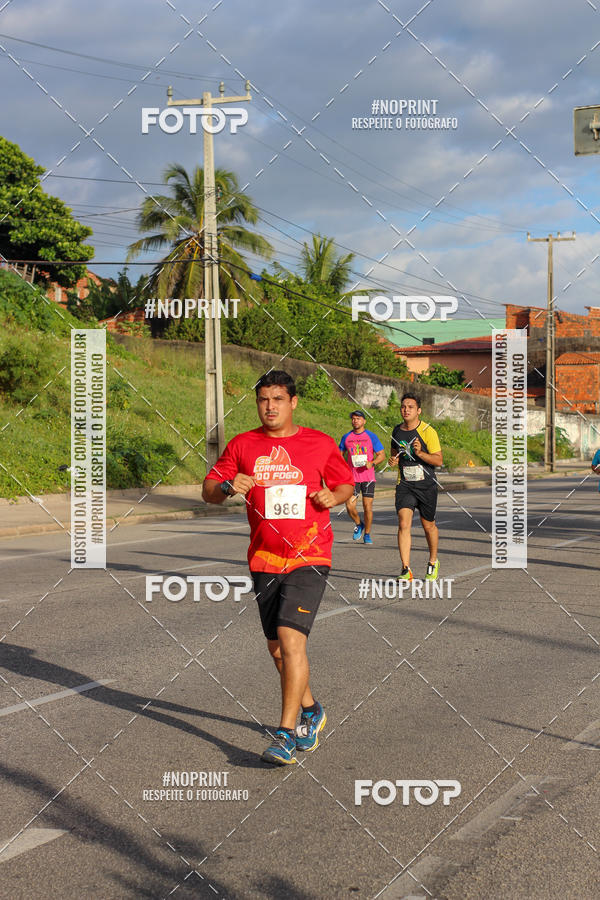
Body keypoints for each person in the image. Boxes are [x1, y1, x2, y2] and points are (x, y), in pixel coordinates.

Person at [202, 370, 354, 765]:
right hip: (264, 559)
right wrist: (226, 487)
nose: (270, 407)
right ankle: (311, 710)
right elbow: (208, 492)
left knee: (290, 638)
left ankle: (284, 735)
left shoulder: (318, 444)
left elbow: (345, 485)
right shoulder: (243, 445)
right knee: (277, 652)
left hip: (309, 554)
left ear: (293, 402)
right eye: (263, 400)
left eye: (277, 399)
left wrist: (331, 497)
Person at [389, 393, 443, 582]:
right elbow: (394, 453)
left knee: (428, 526)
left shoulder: (428, 431)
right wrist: (393, 461)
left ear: (418, 410)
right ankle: (406, 569)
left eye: (410, 407)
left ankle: (433, 561)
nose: (406, 410)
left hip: (426, 485)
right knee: (404, 523)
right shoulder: (396, 431)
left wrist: (420, 453)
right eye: (403, 406)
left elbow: (438, 460)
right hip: (404, 484)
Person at [339, 410, 385, 544]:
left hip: (368, 478)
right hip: (352, 478)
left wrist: (373, 463)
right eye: (353, 419)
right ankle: (359, 524)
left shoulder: (371, 436)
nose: (355, 421)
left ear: (364, 421)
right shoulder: (346, 437)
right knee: (349, 505)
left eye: (358, 418)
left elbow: (381, 455)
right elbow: (339, 455)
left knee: (367, 507)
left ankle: (367, 534)